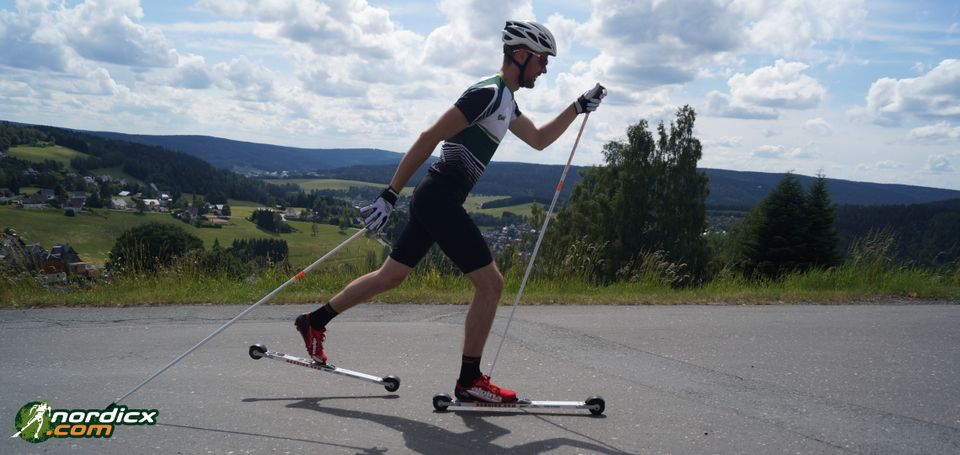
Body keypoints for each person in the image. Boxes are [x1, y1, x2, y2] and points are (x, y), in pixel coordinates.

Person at [295, 20, 606, 404]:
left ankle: (313, 322)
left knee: (390, 276)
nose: (545, 69)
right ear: (520, 54)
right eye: (542, 60)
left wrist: (576, 108)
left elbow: (540, 141)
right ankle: (470, 381)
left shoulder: (506, 101)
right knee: (491, 285)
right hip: (438, 197)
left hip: (438, 199)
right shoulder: (487, 94)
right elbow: (429, 137)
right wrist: (390, 194)